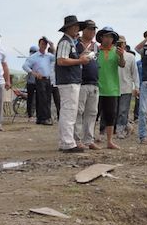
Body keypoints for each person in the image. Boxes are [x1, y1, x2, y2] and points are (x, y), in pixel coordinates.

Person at [54, 14, 88, 153]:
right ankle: (67, 142)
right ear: (69, 28)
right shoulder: (65, 43)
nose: (77, 29)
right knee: (69, 111)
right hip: (68, 81)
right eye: (75, 27)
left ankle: (66, 141)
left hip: (71, 80)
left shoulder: (70, 42)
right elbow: (61, 60)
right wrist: (80, 61)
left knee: (69, 111)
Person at [95, 26, 125, 149]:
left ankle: (109, 141)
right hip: (97, 88)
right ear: (101, 37)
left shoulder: (116, 51)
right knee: (93, 114)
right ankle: (90, 138)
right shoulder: (96, 51)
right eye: (106, 36)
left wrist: (122, 56)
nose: (108, 39)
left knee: (110, 116)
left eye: (111, 37)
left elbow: (122, 64)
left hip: (112, 89)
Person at [74, 20, 100, 150]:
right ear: (83, 30)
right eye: (89, 29)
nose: (92, 32)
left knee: (92, 112)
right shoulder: (76, 44)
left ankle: (89, 139)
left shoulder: (95, 47)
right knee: (79, 111)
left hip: (94, 82)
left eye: (94, 29)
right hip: (81, 82)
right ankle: (77, 139)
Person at [22, 37, 55, 125]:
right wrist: (33, 73)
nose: (43, 46)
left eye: (45, 44)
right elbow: (25, 66)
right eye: (42, 44)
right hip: (40, 79)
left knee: (47, 98)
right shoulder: (34, 56)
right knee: (43, 98)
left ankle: (40, 118)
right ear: (39, 45)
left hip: (47, 79)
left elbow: (56, 58)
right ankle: (45, 118)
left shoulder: (48, 56)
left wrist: (52, 46)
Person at [115, 36, 139, 139]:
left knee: (123, 111)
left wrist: (137, 87)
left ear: (125, 44)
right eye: (117, 43)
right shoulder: (111, 56)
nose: (120, 45)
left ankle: (120, 131)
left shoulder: (130, 57)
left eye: (122, 43)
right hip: (113, 88)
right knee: (115, 111)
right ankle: (128, 126)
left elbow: (135, 73)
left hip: (126, 88)